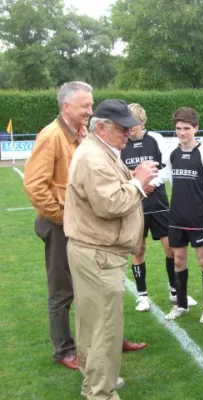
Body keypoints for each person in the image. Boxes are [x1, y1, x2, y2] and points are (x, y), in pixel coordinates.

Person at [64, 99, 159, 399]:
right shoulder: (94, 156)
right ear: (102, 128)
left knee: (93, 325)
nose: (129, 133)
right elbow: (109, 204)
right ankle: (101, 393)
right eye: (122, 128)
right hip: (98, 254)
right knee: (104, 329)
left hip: (95, 251)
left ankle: (94, 383)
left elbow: (110, 191)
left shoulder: (100, 150)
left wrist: (134, 180)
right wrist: (139, 183)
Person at [23, 81, 93, 370]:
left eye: (90, 104)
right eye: (85, 106)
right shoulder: (51, 136)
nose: (90, 110)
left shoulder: (80, 133)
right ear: (66, 107)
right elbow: (35, 186)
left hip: (81, 224)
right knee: (62, 290)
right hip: (59, 225)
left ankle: (100, 340)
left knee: (91, 285)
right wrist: (63, 219)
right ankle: (64, 350)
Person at [121, 103, 197, 312]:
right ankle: (142, 296)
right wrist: (136, 182)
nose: (129, 129)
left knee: (171, 249)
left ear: (143, 122)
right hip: (134, 205)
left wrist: (150, 182)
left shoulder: (155, 139)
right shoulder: (122, 142)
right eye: (127, 125)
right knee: (139, 250)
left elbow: (167, 167)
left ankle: (175, 291)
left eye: (133, 125)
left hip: (159, 205)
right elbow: (120, 173)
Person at [164, 107, 203, 324]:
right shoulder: (173, 153)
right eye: (178, 128)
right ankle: (181, 305)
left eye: (186, 128)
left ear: (195, 128)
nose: (182, 132)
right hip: (176, 217)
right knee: (178, 260)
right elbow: (170, 180)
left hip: (198, 219)